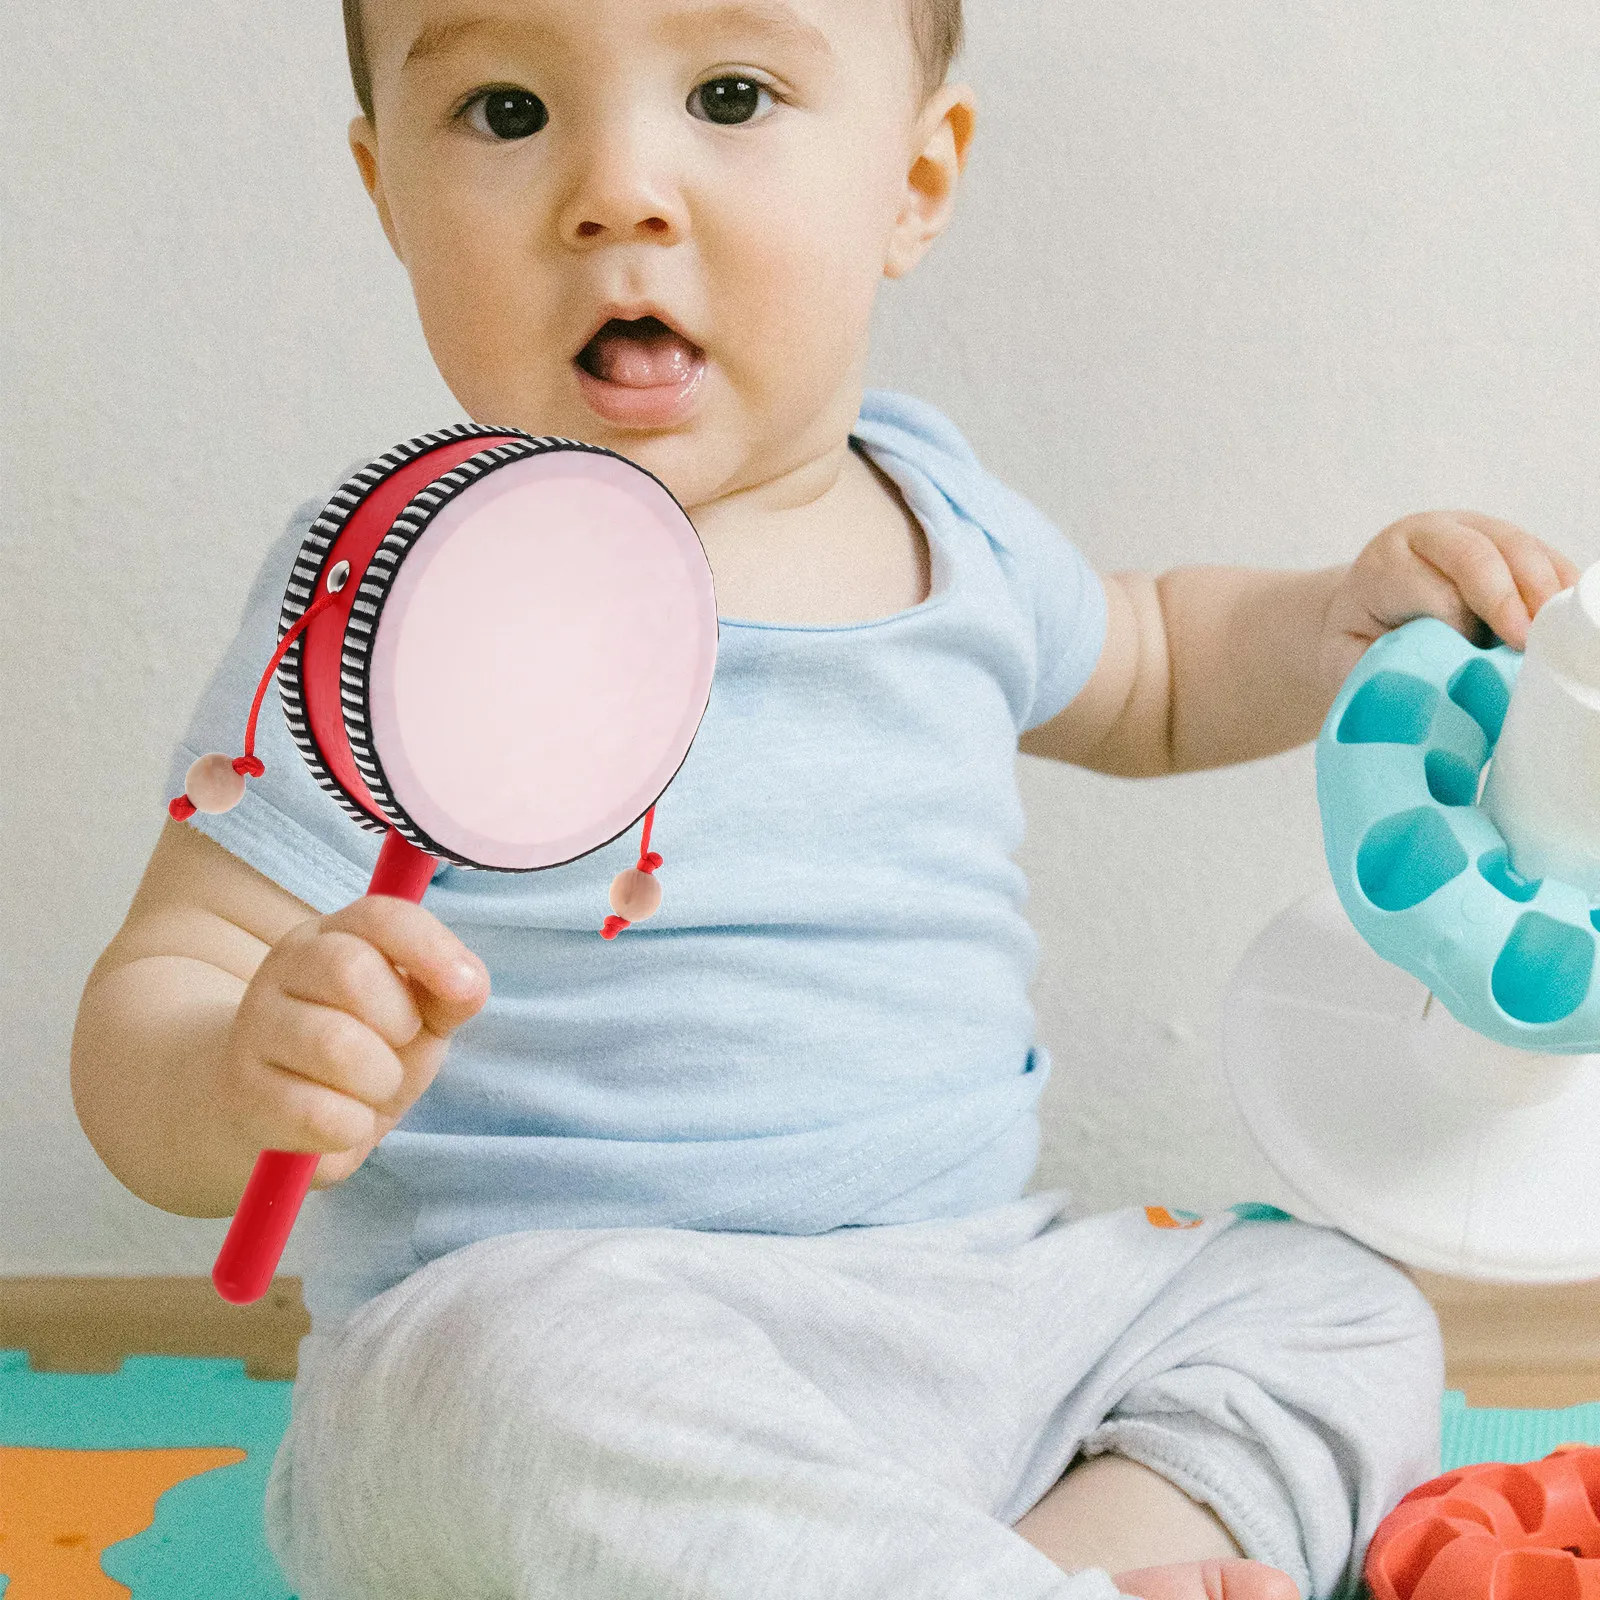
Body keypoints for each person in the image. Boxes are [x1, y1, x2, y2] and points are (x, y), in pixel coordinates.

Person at [71, 2, 1580, 1597]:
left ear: (915, 184)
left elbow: (1153, 667)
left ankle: (1066, 1561)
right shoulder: (387, 598)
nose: (616, 192)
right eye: (507, 112)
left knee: (1340, 1303)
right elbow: (157, 998)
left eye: (729, 94)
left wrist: (1335, 619)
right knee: (494, 1384)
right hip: (564, 1356)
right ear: (386, 195)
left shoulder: (947, 520)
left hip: (965, 1316)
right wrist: (241, 1076)